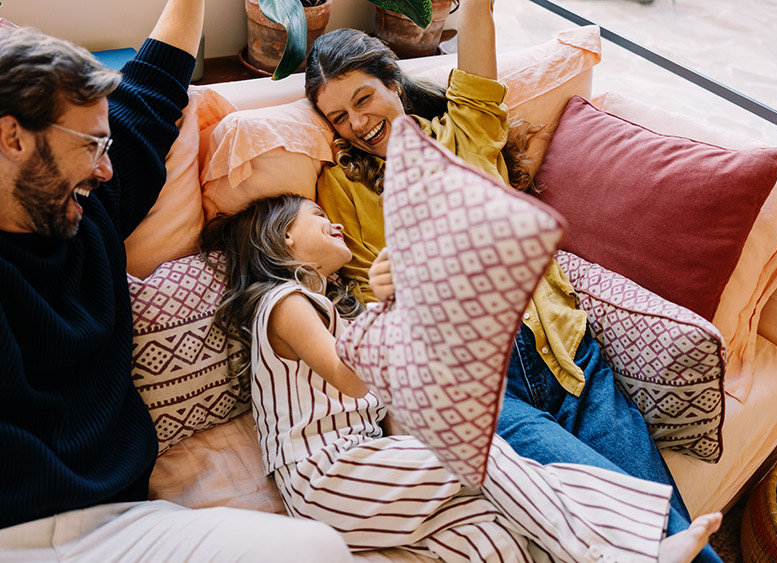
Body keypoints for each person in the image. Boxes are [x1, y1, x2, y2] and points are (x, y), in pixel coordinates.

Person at [0, 0, 351, 561]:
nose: (106, 167)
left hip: (122, 526)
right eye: (91, 146)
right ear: (12, 138)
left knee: (316, 549)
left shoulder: (89, 212)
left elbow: (155, 86)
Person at [303, 1, 723, 561]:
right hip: (483, 388)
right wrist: (386, 289)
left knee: (665, 510)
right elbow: (367, 315)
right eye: (338, 117)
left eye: (362, 99)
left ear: (393, 83)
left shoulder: (465, 130)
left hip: (568, 355)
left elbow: (480, 22)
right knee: (635, 518)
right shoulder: (342, 189)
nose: (357, 123)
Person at [200, 192, 722, 563]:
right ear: (285, 235)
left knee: (491, 535)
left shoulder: (335, 313)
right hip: (328, 474)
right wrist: (385, 303)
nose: (334, 223)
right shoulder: (283, 302)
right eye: (318, 216)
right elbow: (350, 378)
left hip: (361, 472)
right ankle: (617, 554)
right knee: (479, 450)